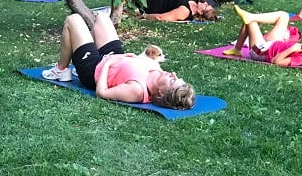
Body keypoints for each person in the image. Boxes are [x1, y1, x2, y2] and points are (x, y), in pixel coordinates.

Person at [40, 12, 195, 109]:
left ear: (161, 93)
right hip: (115, 58)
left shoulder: (137, 91)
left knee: (73, 19)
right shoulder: (160, 74)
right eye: (176, 77)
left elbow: (102, 92)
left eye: (172, 80)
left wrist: (107, 64)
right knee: (102, 18)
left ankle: (61, 70)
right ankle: (78, 63)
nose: (172, 74)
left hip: (94, 69)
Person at [226, 6, 302, 68]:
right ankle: (251, 16)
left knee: (250, 22)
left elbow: (275, 61)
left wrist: (292, 49)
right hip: (274, 43)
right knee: (283, 16)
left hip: (263, 51)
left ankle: (237, 49)